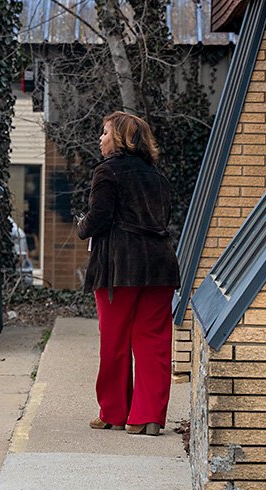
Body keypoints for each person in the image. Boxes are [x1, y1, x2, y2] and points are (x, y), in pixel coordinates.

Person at [76, 111, 180, 436]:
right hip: (160, 266)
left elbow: (99, 218)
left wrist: (82, 226)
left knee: (115, 341)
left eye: (105, 133)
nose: (100, 139)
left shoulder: (107, 172)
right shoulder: (158, 176)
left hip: (119, 268)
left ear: (120, 137)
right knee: (154, 341)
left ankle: (113, 412)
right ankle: (147, 417)